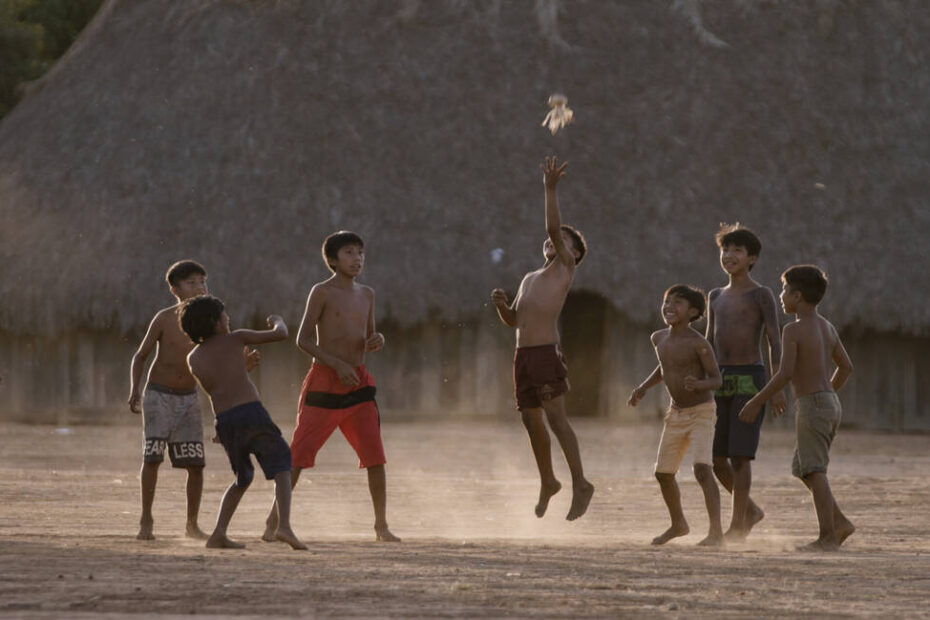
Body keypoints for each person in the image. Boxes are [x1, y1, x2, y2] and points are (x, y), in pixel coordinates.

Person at [264, 231, 400, 542]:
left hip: (358, 383)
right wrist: (337, 364)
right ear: (332, 260)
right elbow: (303, 340)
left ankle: (381, 527)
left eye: (360, 252)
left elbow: (368, 337)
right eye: (349, 252)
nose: (357, 258)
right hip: (325, 382)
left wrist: (377, 340)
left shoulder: (367, 294)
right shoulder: (322, 292)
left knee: (375, 456)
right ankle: (273, 521)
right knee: (298, 455)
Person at [490, 156, 594, 521]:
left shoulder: (564, 269)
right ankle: (548, 479)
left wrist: (550, 189)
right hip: (523, 357)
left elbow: (552, 226)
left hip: (546, 354)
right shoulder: (530, 278)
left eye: (562, 241)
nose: (552, 240)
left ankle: (581, 482)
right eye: (551, 240)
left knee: (556, 419)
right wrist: (502, 306)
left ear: (573, 253)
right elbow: (514, 320)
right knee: (531, 421)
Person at [738, 265, 855, 551]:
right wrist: (827, 393)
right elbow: (846, 367)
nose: (781, 296)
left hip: (813, 404)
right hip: (829, 402)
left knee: (814, 469)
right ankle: (839, 522)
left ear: (797, 296)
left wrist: (756, 400)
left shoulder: (793, 329)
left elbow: (785, 373)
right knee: (803, 468)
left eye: (784, 290)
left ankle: (827, 536)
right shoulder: (827, 327)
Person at [181, 295, 306, 550]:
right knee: (283, 465)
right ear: (216, 322)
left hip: (225, 421)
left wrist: (241, 368)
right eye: (224, 315)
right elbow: (280, 334)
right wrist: (278, 321)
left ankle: (219, 533)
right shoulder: (236, 338)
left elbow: (216, 388)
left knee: (243, 477)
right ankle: (283, 526)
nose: (228, 318)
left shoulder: (193, 358)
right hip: (251, 413)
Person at [705, 223, 784, 540]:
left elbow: (774, 341)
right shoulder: (715, 296)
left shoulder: (761, 295)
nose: (729, 255)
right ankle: (750, 510)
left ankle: (738, 525)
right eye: (725, 249)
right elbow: (708, 342)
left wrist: (776, 387)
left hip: (750, 378)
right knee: (716, 459)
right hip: (719, 380)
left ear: (752, 258)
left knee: (740, 456)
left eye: (737, 250)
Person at [629, 285, 724, 546]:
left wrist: (700, 384)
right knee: (663, 473)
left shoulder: (699, 344)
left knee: (702, 469)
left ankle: (716, 532)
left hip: (702, 412)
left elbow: (716, 379)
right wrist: (643, 388)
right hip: (676, 414)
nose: (669, 306)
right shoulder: (658, 338)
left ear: (693, 312)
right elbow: (664, 367)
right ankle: (678, 524)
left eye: (677, 303)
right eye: (666, 301)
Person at [128, 260, 211, 541]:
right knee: (152, 458)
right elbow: (140, 356)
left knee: (196, 465)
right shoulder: (164, 318)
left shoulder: (212, 320)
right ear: (175, 289)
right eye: (191, 283)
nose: (199, 287)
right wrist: (135, 389)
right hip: (158, 395)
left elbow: (222, 354)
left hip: (189, 397)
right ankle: (146, 519)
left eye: (202, 281)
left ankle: (192, 524)